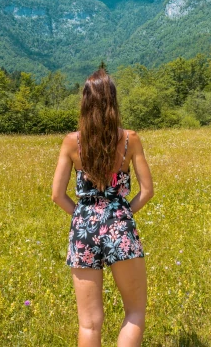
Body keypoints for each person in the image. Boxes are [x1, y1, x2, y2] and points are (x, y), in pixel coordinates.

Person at [52, 69, 154, 347]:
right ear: (113, 101)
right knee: (134, 312)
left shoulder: (72, 142)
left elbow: (57, 195)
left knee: (89, 323)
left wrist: (84, 217)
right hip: (119, 223)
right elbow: (147, 192)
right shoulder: (130, 140)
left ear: (85, 102)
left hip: (83, 227)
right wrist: (120, 215)